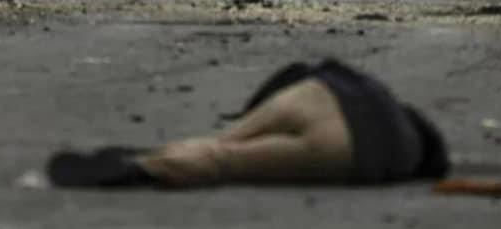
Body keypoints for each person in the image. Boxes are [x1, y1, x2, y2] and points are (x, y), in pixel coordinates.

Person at [47, 59, 449, 188]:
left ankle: (182, 149)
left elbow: (298, 71)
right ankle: (146, 168)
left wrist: (250, 115)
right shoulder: (408, 154)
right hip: (347, 149)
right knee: (227, 163)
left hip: (317, 94)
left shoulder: (380, 93)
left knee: (224, 141)